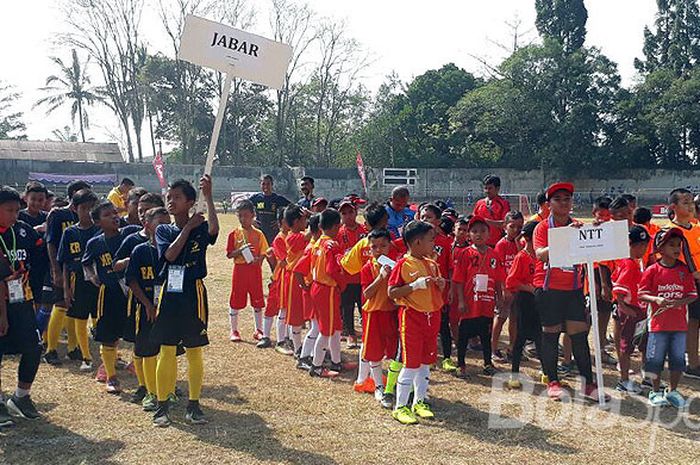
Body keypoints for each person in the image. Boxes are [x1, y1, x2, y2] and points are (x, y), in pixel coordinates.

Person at [151, 176, 219, 427]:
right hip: (170, 292)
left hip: (194, 292)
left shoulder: (201, 227)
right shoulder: (163, 230)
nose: (171, 201)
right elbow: (169, 255)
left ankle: (194, 405)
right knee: (166, 349)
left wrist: (209, 196)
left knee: (193, 349)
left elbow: (213, 230)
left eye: (177, 197)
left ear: (190, 201)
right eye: (169, 197)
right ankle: (162, 406)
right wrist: (188, 228)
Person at [534, 182, 604, 402]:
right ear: (549, 204)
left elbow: (592, 251)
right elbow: (541, 255)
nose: (564, 203)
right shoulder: (543, 227)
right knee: (551, 334)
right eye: (558, 199)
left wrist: (595, 234)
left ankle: (588, 383)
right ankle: (552, 380)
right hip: (549, 289)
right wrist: (566, 236)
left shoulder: (579, 226)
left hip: (573, 289)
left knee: (579, 335)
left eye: (567, 199)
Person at [387, 220, 445, 424]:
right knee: (410, 363)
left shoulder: (432, 263)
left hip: (432, 316)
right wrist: (414, 285)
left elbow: (439, 289)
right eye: (431, 240)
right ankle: (400, 406)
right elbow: (392, 292)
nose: (434, 244)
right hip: (412, 318)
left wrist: (441, 284)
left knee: (425, 362)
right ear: (418, 242)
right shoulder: (403, 264)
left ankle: (419, 402)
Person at [112, 192, 165, 402]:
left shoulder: (168, 238)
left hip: (163, 301)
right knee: (141, 344)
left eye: (147, 211)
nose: (142, 215)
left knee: (162, 345)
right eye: (140, 211)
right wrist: (131, 259)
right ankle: (144, 386)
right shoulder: (132, 239)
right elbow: (116, 266)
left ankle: (162, 383)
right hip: (140, 302)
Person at [639, 228, 698, 408]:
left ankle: (672, 390)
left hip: (679, 325)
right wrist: (656, 299)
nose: (676, 249)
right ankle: (655, 391)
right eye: (671, 245)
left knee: (677, 360)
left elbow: (693, 294)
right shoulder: (652, 270)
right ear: (660, 248)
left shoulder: (684, 270)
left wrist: (681, 302)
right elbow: (641, 293)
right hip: (658, 326)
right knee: (655, 360)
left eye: (678, 245)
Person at [0, 186, 44, 420]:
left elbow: (38, 263)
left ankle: (21, 396)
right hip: (1, 305)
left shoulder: (24, 231)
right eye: (9, 210)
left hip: (21, 301)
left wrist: (35, 296)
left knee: (34, 347)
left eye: (17, 210)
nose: (15, 215)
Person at [125, 207, 171, 413]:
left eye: (168, 224)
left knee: (167, 350)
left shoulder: (171, 250)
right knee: (147, 350)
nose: (166, 228)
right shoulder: (140, 250)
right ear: (147, 225)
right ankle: (151, 392)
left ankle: (167, 390)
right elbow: (132, 281)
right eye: (160, 223)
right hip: (145, 309)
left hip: (168, 308)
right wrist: (147, 304)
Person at [82, 201, 130, 395]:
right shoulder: (95, 243)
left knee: (136, 334)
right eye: (107, 215)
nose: (114, 217)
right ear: (97, 222)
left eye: (115, 213)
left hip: (131, 292)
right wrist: (93, 277)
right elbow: (86, 263)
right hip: (108, 294)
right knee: (108, 337)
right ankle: (111, 376)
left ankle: (142, 371)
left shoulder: (129, 236)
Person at [44, 180, 92, 366]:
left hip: (81, 271)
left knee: (74, 307)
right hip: (64, 268)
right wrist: (56, 269)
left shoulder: (88, 218)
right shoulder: (58, 214)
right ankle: (50, 349)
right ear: (75, 194)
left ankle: (73, 348)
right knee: (61, 304)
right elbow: (51, 242)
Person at [453, 216, 505, 377]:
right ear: (469, 235)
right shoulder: (465, 253)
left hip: (487, 302)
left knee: (485, 334)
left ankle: (488, 363)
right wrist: (461, 301)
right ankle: (461, 364)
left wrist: (500, 297)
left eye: (483, 231)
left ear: (489, 234)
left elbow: (497, 279)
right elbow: (459, 279)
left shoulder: (494, 255)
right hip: (470, 301)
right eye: (474, 231)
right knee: (464, 334)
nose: (479, 234)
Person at [56, 189, 99, 372]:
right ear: (75, 208)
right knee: (80, 319)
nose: (88, 212)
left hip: (99, 282)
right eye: (84, 208)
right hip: (78, 281)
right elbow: (65, 262)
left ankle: (111, 355)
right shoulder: (70, 233)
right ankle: (86, 356)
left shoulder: (100, 230)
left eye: (92, 208)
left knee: (100, 318)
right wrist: (66, 288)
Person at [354, 228, 398, 405]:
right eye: (375, 246)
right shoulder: (367, 268)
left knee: (395, 351)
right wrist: (380, 278)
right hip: (374, 313)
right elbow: (367, 293)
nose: (379, 249)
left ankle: (394, 385)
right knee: (374, 351)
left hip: (392, 313)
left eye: (383, 245)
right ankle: (379, 385)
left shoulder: (395, 266)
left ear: (389, 246)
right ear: (369, 249)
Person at [665, 188, 700, 379]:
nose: (690, 205)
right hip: (686, 282)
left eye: (691, 201)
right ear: (674, 207)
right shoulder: (672, 232)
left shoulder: (696, 228)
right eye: (685, 202)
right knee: (692, 321)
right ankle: (692, 363)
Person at [611, 225, 650, 395]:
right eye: (638, 245)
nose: (642, 249)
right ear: (630, 244)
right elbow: (618, 289)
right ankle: (624, 380)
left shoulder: (634, 262)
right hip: (631, 311)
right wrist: (625, 308)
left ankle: (647, 377)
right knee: (627, 347)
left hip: (639, 310)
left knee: (643, 344)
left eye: (644, 245)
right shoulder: (628, 264)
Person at [309, 209, 346, 377]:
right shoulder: (331, 244)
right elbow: (332, 270)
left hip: (318, 287)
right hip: (327, 288)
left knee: (336, 326)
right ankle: (316, 366)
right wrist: (342, 282)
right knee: (326, 330)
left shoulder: (317, 242)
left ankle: (336, 362)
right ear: (337, 226)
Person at [226, 199, 268, 342]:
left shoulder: (259, 234)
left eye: (246, 215)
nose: (243, 219)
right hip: (240, 270)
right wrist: (241, 250)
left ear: (253, 215)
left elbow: (264, 252)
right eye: (240, 216)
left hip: (254, 270)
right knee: (236, 299)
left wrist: (259, 260)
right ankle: (234, 330)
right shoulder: (234, 234)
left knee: (257, 300)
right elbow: (229, 254)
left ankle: (259, 330)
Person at [506, 221, 541, 389]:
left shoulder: (541, 257)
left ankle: (547, 373)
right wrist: (529, 288)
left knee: (541, 338)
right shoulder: (522, 257)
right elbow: (511, 281)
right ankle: (514, 373)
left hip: (539, 301)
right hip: (525, 300)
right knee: (520, 338)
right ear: (528, 238)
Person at [492, 211, 524, 363]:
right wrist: (503, 289)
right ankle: (493, 349)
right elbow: (498, 269)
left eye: (519, 227)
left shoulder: (521, 243)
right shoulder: (501, 245)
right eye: (512, 226)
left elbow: (522, 259)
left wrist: (518, 243)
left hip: (518, 288)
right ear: (505, 227)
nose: (516, 230)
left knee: (515, 319)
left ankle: (512, 348)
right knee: (500, 318)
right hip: (506, 289)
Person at [337, 199, 368, 348]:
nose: (348, 216)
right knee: (347, 307)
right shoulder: (338, 233)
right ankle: (351, 334)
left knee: (364, 307)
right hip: (347, 278)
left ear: (356, 212)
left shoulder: (364, 231)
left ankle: (367, 334)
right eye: (344, 213)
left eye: (350, 212)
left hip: (363, 277)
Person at [283, 205, 309, 356]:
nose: (306, 221)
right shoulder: (292, 236)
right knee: (296, 314)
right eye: (303, 219)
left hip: (303, 276)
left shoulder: (301, 233)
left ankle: (303, 346)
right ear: (297, 221)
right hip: (294, 278)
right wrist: (313, 216)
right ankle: (297, 347)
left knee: (305, 312)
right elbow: (310, 234)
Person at [249, 174, 291, 245]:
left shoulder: (277, 198)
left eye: (268, 184)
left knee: (272, 252)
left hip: (272, 231)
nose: (266, 186)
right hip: (259, 230)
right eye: (263, 184)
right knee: (259, 252)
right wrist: (251, 220)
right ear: (260, 185)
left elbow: (292, 208)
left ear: (272, 185)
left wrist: (280, 222)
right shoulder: (256, 198)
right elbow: (243, 207)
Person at [473, 175, 511, 248]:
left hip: (496, 244)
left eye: (490, 188)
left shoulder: (504, 204)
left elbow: (505, 223)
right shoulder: (479, 203)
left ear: (497, 188)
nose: (487, 191)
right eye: (485, 188)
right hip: (479, 244)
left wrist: (485, 221)